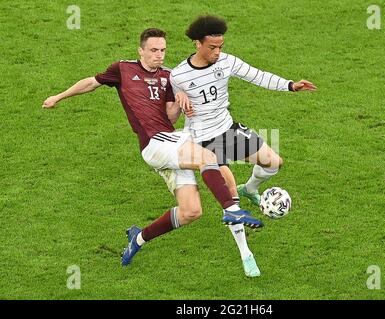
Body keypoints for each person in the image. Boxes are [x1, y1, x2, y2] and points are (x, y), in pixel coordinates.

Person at [42, 28, 263, 276]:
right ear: (141, 51)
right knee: (209, 158)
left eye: (163, 50)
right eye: (154, 50)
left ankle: (138, 239)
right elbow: (91, 83)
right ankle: (232, 211)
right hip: (154, 144)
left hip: (171, 140)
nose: (159, 55)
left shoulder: (170, 77)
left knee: (191, 211)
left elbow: (169, 117)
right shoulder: (123, 69)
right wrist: (58, 97)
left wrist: (181, 102)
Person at [170, 16, 317, 269]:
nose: (218, 52)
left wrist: (291, 85)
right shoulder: (178, 75)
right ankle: (246, 254)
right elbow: (168, 117)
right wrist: (177, 100)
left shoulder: (227, 62)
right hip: (202, 142)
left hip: (228, 130)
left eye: (221, 46)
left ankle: (251, 188)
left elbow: (257, 76)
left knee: (274, 163)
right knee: (230, 197)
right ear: (197, 44)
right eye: (212, 47)